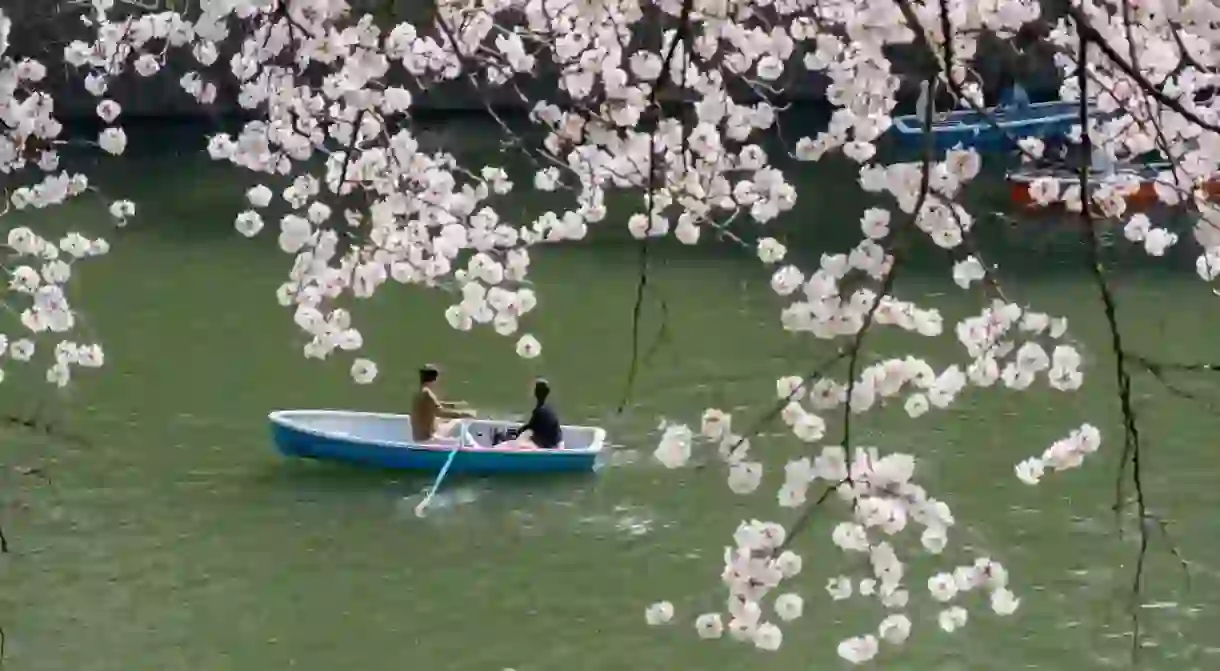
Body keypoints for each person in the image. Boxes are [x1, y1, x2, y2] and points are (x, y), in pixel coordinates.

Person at [411, 365, 474, 443]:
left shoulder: (419, 392)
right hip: (428, 440)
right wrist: (462, 414)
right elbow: (440, 412)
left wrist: (455, 405)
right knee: (461, 424)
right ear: (435, 379)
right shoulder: (427, 393)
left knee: (452, 422)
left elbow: (434, 404)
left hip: (419, 437)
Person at [501, 378, 563, 449]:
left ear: (536, 392)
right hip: (556, 445)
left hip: (549, 448)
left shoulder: (541, 411)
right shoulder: (550, 409)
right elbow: (530, 426)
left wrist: (515, 434)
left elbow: (530, 427)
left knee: (516, 444)